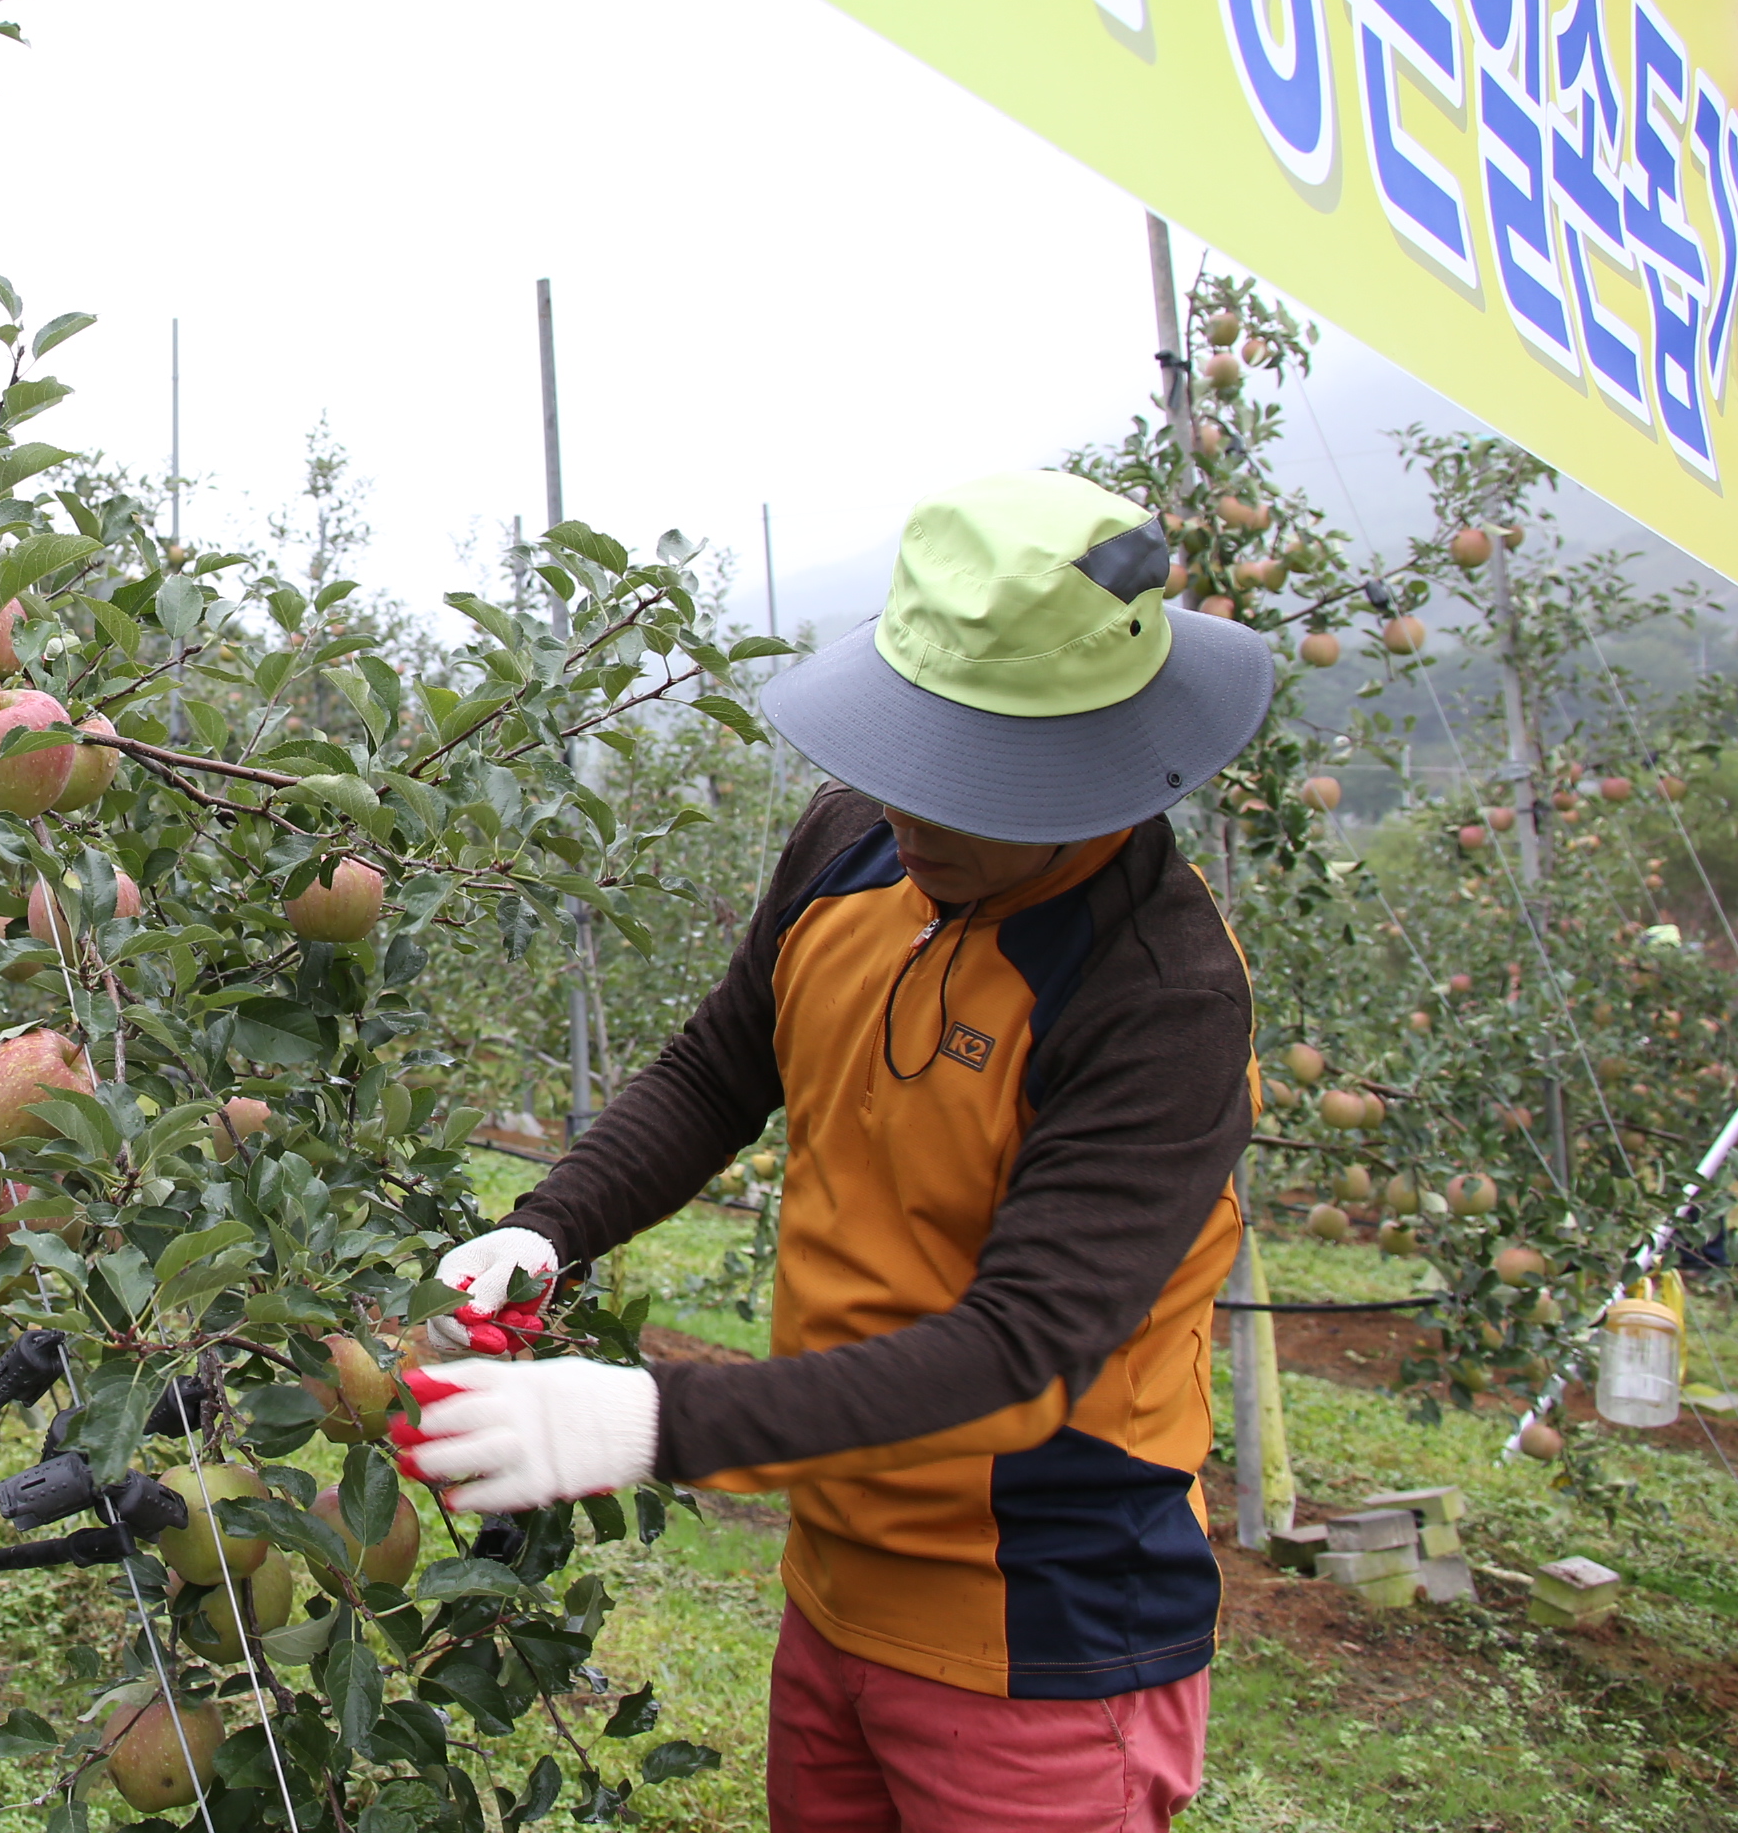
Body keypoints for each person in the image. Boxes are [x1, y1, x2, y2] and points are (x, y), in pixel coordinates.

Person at [404, 471, 1272, 1833]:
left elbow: (1020, 1346)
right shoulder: (856, 847)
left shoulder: (1157, 996)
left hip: (1040, 1636)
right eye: (905, 756)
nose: (912, 810)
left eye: (968, 781)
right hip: (838, 1589)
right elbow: (717, 1068)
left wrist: (655, 1420)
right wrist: (550, 1223)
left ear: (1083, 765)